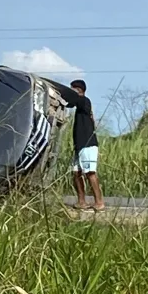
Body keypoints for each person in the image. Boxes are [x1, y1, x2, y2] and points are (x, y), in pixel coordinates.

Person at [56, 79, 104, 212]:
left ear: (78, 90)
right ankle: (81, 201)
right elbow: (70, 103)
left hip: (88, 144)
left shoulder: (85, 101)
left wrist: (67, 93)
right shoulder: (78, 105)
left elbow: (75, 100)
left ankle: (99, 202)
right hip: (79, 145)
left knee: (90, 173)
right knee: (76, 173)